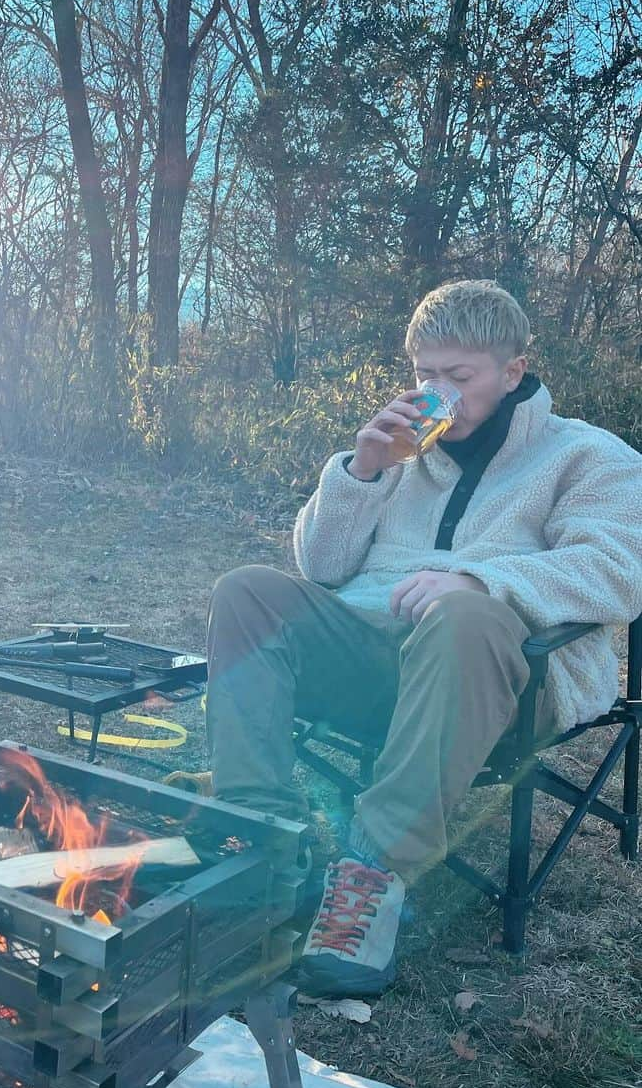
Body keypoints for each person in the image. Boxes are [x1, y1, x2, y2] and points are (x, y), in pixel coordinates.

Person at [206, 280, 642, 997]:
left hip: (503, 682)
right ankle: (262, 841)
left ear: (511, 371)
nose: (439, 392)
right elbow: (321, 567)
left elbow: (619, 569)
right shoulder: (404, 454)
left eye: (460, 377)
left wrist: (482, 581)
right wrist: (361, 471)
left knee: (463, 617)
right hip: (378, 663)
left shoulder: (587, 457)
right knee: (247, 591)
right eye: (424, 375)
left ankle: (371, 876)